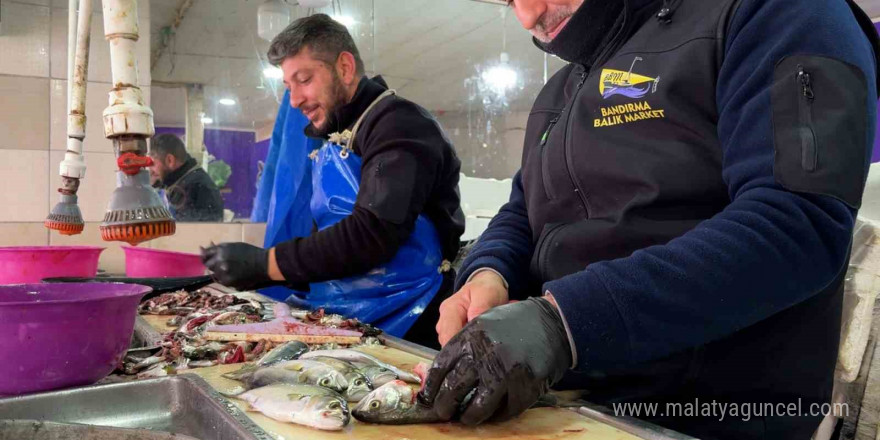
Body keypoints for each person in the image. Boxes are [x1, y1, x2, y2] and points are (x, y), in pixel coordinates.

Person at [421, 0, 880, 438]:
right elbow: (524, 209)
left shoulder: (778, 13)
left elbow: (797, 224)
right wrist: (487, 273)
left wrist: (565, 324)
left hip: (704, 416)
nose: (528, 16)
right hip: (562, 402)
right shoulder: (559, 91)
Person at [201, 14, 465, 348]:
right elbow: (328, 233)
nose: (294, 100)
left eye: (305, 79)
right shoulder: (336, 138)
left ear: (344, 67)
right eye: (288, 86)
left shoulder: (400, 126)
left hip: (411, 321)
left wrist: (265, 264)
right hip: (346, 314)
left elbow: (372, 233)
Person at [149, 133, 224, 222]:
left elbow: (183, 232)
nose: (150, 170)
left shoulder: (192, 187)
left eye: (152, 164)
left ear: (170, 160)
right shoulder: (185, 180)